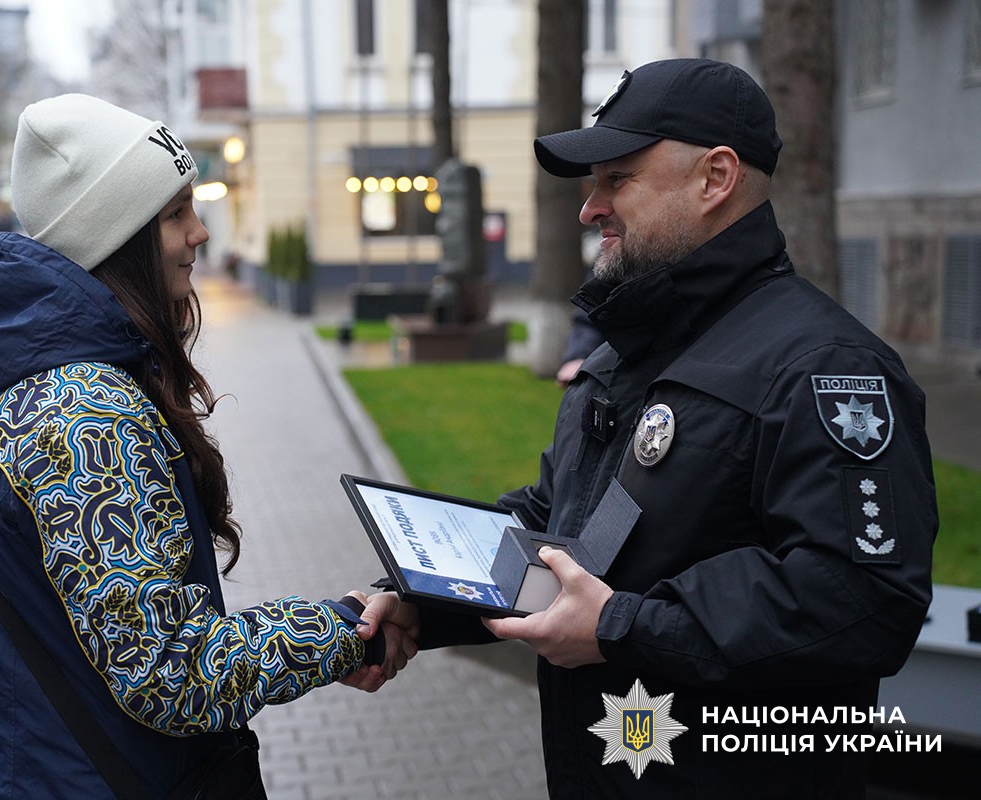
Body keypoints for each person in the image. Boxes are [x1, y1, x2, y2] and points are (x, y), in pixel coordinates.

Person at [351, 58, 936, 799]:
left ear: (715, 178)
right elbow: (563, 525)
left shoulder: (827, 368)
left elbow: (862, 598)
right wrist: (423, 601)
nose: (589, 209)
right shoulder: (624, 353)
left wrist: (621, 626)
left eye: (617, 180)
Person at [0, 94, 411, 799]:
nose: (200, 232)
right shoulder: (84, 418)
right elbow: (168, 672)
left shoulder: (31, 378)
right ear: (116, 236)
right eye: (176, 213)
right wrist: (342, 630)